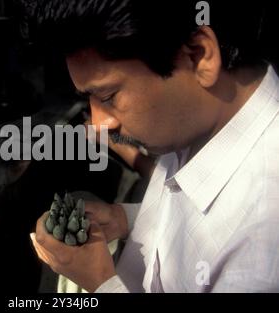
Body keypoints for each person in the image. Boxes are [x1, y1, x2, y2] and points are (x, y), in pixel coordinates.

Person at [25, 0, 279, 292]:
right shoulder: (196, 125)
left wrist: (99, 282)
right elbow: (193, 214)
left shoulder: (262, 252)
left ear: (199, 56)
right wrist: (127, 219)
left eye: (107, 96)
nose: (98, 124)